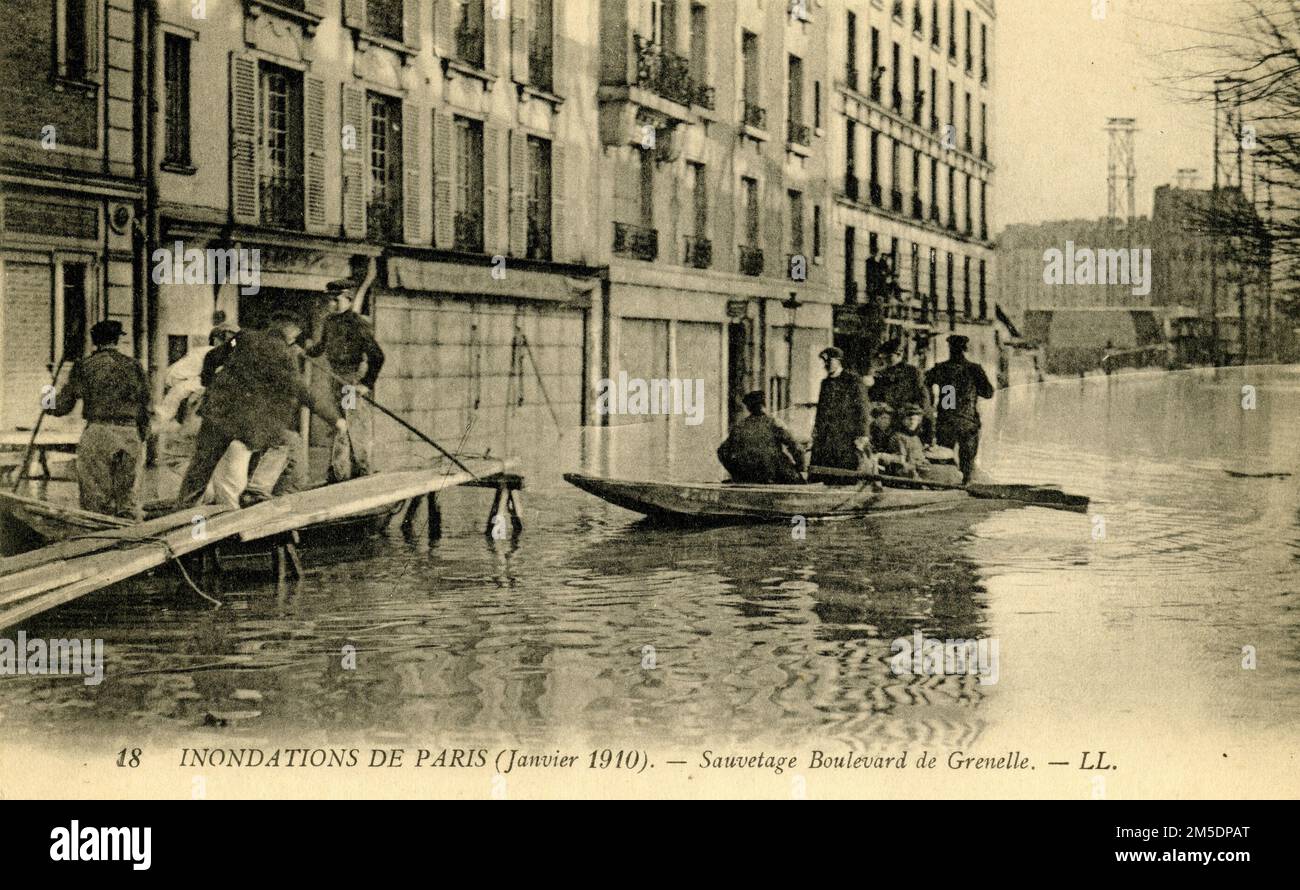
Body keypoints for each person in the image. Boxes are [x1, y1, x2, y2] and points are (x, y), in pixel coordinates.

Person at [176, 311, 345, 508]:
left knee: (201, 466)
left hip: (215, 413)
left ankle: (183, 508)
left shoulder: (242, 338)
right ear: (293, 333)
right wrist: (335, 419)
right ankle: (256, 490)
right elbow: (301, 390)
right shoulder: (285, 354)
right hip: (247, 423)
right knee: (286, 443)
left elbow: (213, 357)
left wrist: (209, 382)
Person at [46, 320, 151, 519]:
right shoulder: (134, 365)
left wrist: (46, 400)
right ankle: (130, 541)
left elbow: (62, 406)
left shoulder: (85, 366)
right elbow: (145, 404)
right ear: (118, 339)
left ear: (95, 341)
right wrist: (142, 436)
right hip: (130, 433)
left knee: (95, 501)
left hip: (99, 433)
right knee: (127, 500)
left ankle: (98, 541)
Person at [305, 279, 385, 479]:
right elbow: (321, 348)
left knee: (352, 424)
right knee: (339, 423)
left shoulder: (358, 324)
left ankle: (360, 470)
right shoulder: (329, 322)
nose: (331, 304)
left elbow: (377, 356)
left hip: (350, 381)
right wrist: (305, 350)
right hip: (334, 379)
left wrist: (366, 384)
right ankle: (339, 470)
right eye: (329, 300)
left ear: (348, 299)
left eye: (335, 299)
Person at [924, 334, 994, 483]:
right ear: (965, 349)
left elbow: (924, 384)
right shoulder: (974, 369)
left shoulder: (941, 368)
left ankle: (947, 484)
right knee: (967, 461)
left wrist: (930, 403)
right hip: (967, 421)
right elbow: (988, 393)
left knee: (945, 457)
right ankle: (965, 485)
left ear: (950, 349)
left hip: (945, 420)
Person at [810, 346, 872, 483]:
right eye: (824, 362)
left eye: (829, 361)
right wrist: (815, 429)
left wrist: (863, 434)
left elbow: (863, 409)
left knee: (845, 473)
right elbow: (821, 410)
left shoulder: (853, 381)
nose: (826, 365)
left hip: (846, 437)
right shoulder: (825, 383)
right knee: (823, 473)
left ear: (838, 361)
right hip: (826, 437)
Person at [717, 390, 805, 484]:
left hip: (747, 477)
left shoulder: (739, 427)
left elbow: (722, 451)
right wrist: (800, 466)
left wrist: (736, 472)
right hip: (774, 475)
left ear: (748, 407)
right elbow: (796, 447)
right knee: (801, 485)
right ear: (764, 404)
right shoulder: (773, 423)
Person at [892, 403, 963, 485]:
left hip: (922, 467)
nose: (912, 422)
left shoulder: (915, 437)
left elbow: (920, 455)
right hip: (912, 470)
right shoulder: (899, 437)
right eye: (909, 419)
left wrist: (925, 459)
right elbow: (902, 461)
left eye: (915, 420)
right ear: (903, 420)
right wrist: (915, 466)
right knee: (947, 473)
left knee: (952, 469)